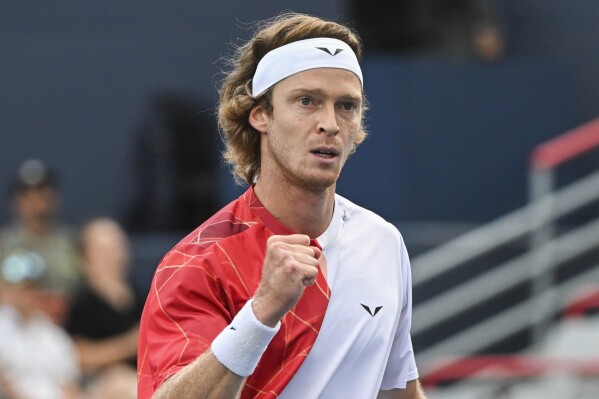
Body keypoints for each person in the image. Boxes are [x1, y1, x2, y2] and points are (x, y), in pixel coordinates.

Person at [138, 12, 426, 399]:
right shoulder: (196, 263)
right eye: (307, 101)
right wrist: (262, 312)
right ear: (260, 116)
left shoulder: (383, 242)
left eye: (346, 106)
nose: (330, 123)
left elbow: (397, 389)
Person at [64, 217, 141, 398]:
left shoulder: (143, 297)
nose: (115, 255)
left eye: (119, 246)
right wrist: (129, 344)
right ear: (85, 258)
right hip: (100, 383)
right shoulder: (81, 304)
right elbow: (80, 357)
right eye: (104, 249)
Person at [0, 159, 81, 325]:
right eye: (26, 194)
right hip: (16, 330)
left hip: (68, 325)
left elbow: (83, 291)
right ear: (15, 201)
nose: (35, 201)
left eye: (41, 192)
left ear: (55, 197)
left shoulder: (72, 242)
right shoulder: (4, 243)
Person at [0, 250, 82, 399]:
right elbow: (5, 384)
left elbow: (69, 386)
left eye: (33, 287)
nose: (29, 294)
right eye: (22, 287)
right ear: (5, 288)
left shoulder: (53, 334)